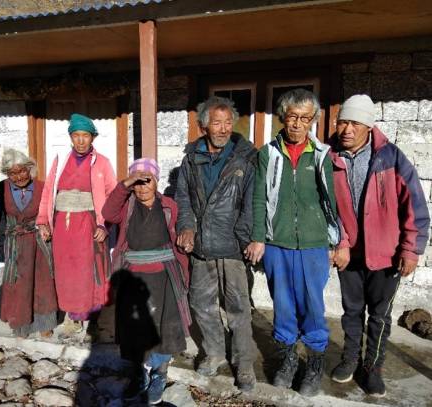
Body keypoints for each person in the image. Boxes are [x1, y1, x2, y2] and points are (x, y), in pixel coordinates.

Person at [329, 94, 430, 397]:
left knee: (380, 315)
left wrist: (411, 249)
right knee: (351, 311)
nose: (347, 128)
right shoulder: (329, 157)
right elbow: (325, 207)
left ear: (369, 126)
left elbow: (414, 205)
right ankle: (350, 359)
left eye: (355, 123)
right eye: (343, 121)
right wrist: (340, 242)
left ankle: (372, 366)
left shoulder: (391, 157)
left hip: (387, 255)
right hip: (349, 254)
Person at [247, 88, 340, 397]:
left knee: (313, 304)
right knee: (283, 305)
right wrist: (259, 237)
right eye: (292, 117)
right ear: (282, 118)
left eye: (305, 118)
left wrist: (336, 241)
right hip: (278, 244)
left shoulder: (322, 154)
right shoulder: (268, 153)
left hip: (314, 244)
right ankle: (287, 360)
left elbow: (332, 200)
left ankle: (314, 363)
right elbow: (259, 197)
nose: (298, 124)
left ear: (312, 120)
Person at [175, 96, 258, 394]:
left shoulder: (245, 159)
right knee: (201, 304)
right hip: (201, 248)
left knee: (237, 308)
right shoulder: (191, 159)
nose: (223, 129)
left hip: (233, 247)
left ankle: (244, 362)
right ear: (203, 126)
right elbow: (183, 198)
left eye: (227, 123)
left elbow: (251, 204)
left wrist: (246, 239)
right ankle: (214, 353)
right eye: (216, 123)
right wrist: (186, 227)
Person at [103, 158, 191, 405]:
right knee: (135, 328)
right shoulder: (126, 206)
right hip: (133, 276)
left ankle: (160, 373)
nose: (142, 188)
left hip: (164, 276)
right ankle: (140, 373)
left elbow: (181, 231)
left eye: (147, 182)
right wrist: (126, 184)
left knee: (163, 327)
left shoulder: (169, 206)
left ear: (156, 181)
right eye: (137, 184)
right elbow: (107, 213)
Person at [37, 113, 117, 341]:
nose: (81, 140)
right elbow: (48, 192)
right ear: (71, 137)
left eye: (86, 136)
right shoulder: (60, 159)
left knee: (88, 272)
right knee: (66, 273)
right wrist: (43, 221)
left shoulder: (101, 162)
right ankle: (73, 319)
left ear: (92, 138)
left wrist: (104, 224)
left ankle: (92, 320)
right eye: (76, 135)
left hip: (89, 224)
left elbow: (112, 195)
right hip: (63, 225)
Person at [0, 149, 58, 339]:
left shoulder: (42, 187)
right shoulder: (1, 188)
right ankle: (21, 325)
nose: (19, 176)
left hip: (38, 241)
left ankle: (45, 323)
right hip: (15, 243)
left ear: (29, 168)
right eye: (12, 173)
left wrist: (47, 227)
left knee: (43, 282)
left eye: (22, 171)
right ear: (7, 174)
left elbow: (51, 212)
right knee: (19, 284)